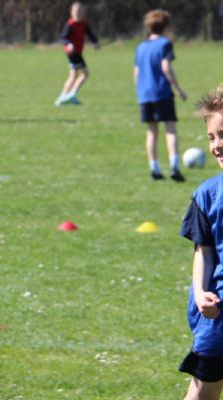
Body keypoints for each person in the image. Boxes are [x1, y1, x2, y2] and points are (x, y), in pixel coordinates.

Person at [179, 85, 223, 400]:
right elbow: (203, 252)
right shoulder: (207, 195)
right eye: (211, 137)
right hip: (219, 315)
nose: (217, 145)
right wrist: (199, 294)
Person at [134, 9, 186, 182]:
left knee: (152, 131)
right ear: (166, 26)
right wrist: (178, 89)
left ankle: (154, 169)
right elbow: (166, 67)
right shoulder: (165, 44)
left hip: (145, 94)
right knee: (170, 128)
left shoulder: (140, 47)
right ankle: (174, 166)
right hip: (162, 92)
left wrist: (141, 91)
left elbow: (136, 73)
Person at [54, 1, 99, 107]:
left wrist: (95, 42)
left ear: (83, 12)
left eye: (79, 11)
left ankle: (64, 97)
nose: (77, 13)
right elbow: (63, 38)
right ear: (71, 12)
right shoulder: (70, 25)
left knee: (75, 75)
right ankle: (69, 95)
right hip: (72, 53)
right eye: (75, 11)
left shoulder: (83, 24)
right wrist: (69, 44)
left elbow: (90, 34)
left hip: (78, 52)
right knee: (83, 74)